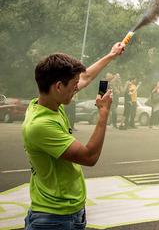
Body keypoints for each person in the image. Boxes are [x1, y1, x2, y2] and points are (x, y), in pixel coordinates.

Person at [22, 43, 125, 229]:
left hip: (69, 212)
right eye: (74, 84)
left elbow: (85, 77)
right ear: (59, 86)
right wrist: (103, 114)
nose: (77, 87)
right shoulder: (40, 125)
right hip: (53, 218)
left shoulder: (50, 102)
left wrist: (111, 55)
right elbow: (89, 156)